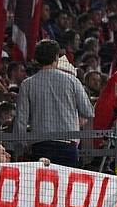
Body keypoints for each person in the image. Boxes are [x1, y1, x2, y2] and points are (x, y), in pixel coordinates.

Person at [12, 39, 93, 167]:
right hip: (67, 144)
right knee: (66, 180)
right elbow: (88, 111)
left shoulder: (27, 84)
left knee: (43, 180)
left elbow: (21, 120)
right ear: (56, 57)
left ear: (37, 59)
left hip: (40, 146)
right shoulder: (72, 81)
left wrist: (20, 148)